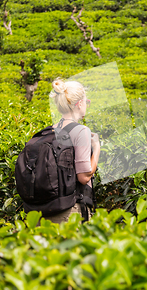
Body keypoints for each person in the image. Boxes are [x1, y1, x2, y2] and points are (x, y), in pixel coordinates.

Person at [43, 77, 101, 223]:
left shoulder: (50, 130)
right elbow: (84, 176)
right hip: (69, 211)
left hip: (44, 210)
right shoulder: (81, 131)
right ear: (80, 103)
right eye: (87, 102)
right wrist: (97, 147)